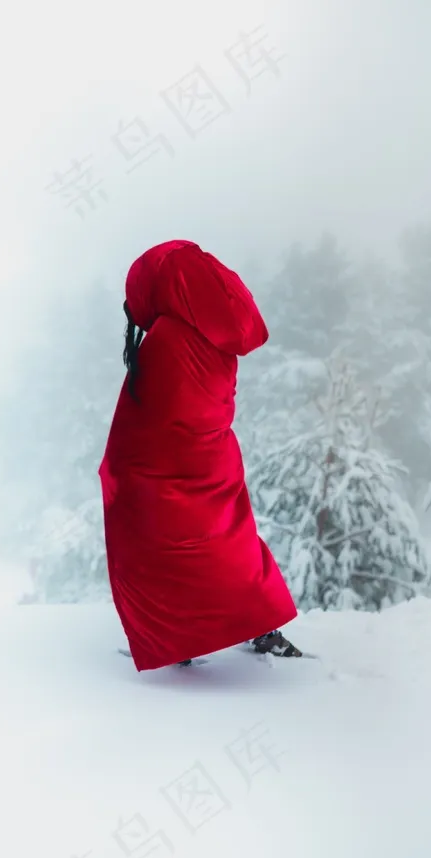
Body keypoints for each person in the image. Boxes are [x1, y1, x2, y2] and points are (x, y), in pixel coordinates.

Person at [99, 240, 301, 671]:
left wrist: (121, 470)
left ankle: (176, 637)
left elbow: (148, 423)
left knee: (162, 551)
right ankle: (260, 626)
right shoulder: (213, 329)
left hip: (169, 472)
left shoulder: (168, 338)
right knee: (229, 546)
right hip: (213, 461)